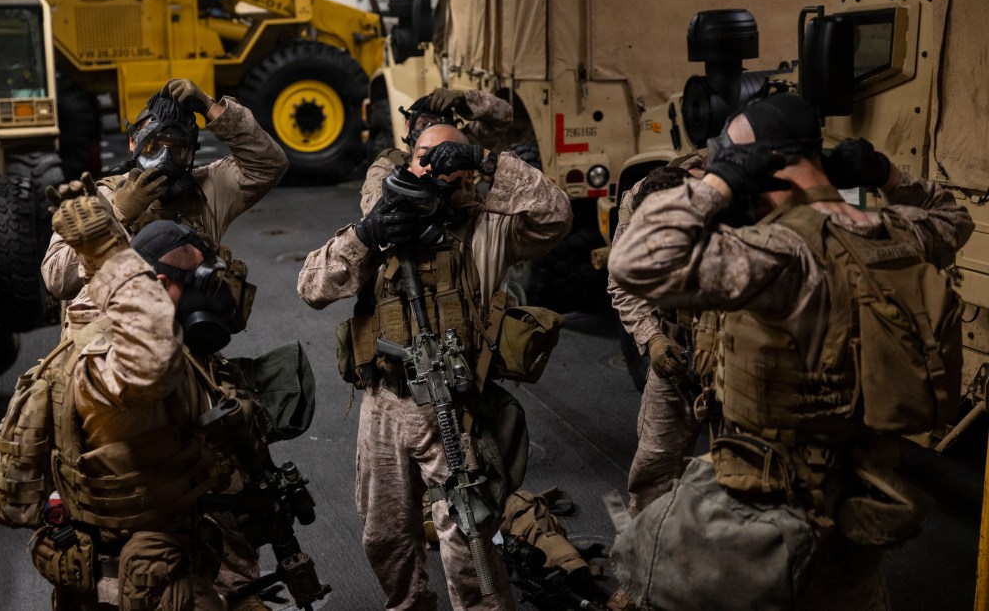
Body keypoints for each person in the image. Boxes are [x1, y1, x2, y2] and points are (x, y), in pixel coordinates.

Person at [609, 93, 973, 609]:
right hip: (862, 495)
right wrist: (884, 172)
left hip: (770, 507)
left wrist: (720, 182)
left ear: (762, 165)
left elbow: (636, 261)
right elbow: (952, 215)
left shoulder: (781, 255)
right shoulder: (897, 234)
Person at [298, 124, 572, 610]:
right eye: (425, 155)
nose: (432, 167)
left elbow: (555, 215)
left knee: (468, 539)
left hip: (454, 403)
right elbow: (313, 287)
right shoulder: (381, 222)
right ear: (409, 159)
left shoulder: (488, 227)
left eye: (446, 157)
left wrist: (486, 158)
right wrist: (367, 234)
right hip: (382, 404)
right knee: (384, 536)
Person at [35, 191, 238, 610]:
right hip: (133, 571)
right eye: (192, 285)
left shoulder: (138, 341)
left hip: (132, 555)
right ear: (159, 286)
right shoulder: (129, 358)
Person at [42, 78, 288, 302]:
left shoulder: (206, 190)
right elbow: (56, 280)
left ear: (191, 153)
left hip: (188, 344)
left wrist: (210, 108)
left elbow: (269, 164)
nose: (165, 158)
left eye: (177, 148)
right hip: (118, 344)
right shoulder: (98, 199)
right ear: (133, 142)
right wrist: (117, 216)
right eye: (154, 145)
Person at [609, 165, 704, 516]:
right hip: (676, 343)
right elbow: (622, 281)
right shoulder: (638, 203)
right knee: (654, 464)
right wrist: (652, 338)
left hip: (735, 346)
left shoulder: (740, 205)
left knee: (743, 472)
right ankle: (646, 551)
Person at [362, 87, 514, 215]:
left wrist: (464, 101)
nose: (429, 131)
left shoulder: (463, 146)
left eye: (437, 124)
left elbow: (503, 116)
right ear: (408, 125)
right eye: (423, 124)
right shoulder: (390, 162)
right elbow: (371, 208)